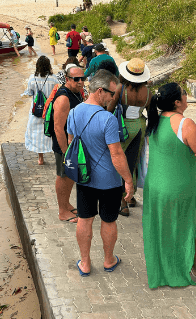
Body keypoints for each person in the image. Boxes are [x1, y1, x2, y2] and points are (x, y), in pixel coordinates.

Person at [143, 83, 196, 288]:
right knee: (189, 224)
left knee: (163, 227)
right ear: (177, 102)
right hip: (179, 187)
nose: (186, 96)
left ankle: (166, 265)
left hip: (155, 185)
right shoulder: (185, 123)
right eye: (184, 93)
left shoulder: (154, 121)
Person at [67, 70, 134, 276]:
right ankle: (108, 260)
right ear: (99, 91)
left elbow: (71, 143)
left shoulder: (73, 112)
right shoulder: (108, 119)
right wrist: (128, 180)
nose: (113, 98)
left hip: (84, 178)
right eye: (111, 93)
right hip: (109, 181)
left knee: (85, 219)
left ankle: (85, 263)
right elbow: (116, 154)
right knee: (108, 220)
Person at [107, 59, 151, 216]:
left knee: (120, 161)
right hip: (140, 127)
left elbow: (110, 108)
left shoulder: (121, 88)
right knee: (134, 161)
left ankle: (122, 202)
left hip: (123, 127)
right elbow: (151, 114)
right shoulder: (148, 92)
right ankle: (130, 196)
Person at [49, 64, 85, 222]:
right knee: (63, 176)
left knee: (70, 176)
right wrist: (66, 152)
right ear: (68, 79)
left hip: (72, 143)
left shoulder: (76, 93)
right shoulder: (64, 98)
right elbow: (58, 128)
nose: (80, 82)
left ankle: (66, 204)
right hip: (64, 145)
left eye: (82, 78)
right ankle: (62, 211)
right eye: (76, 79)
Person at [22, 56, 58, 165]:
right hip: (50, 110)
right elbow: (57, 94)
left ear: (37, 66)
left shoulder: (32, 78)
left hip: (36, 111)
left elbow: (29, 93)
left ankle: (40, 158)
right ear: (49, 66)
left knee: (37, 134)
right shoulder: (54, 79)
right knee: (52, 132)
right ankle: (57, 156)